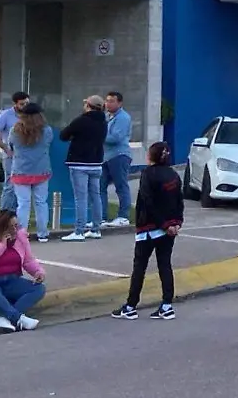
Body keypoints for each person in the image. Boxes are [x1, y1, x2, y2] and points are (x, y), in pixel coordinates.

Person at [113, 141, 184, 321]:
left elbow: (148, 201)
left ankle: (130, 306)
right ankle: (167, 305)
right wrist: (176, 223)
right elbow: (179, 201)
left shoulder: (147, 174)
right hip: (169, 230)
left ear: (151, 156)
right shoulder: (174, 175)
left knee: (140, 267)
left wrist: (163, 224)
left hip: (148, 229)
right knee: (165, 265)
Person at [0, 209, 45, 332]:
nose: (15, 230)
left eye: (16, 226)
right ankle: (17, 318)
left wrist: (38, 272)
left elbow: (28, 260)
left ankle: (4, 318)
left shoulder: (20, 237)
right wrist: (1, 246)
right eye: (10, 227)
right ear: (1, 227)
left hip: (12, 280)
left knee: (39, 289)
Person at [59, 95, 108, 242]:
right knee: (95, 196)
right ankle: (96, 229)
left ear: (88, 106)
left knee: (80, 198)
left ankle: (79, 231)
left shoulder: (81, 120)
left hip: (79, 163)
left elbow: (63, 135)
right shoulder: (103, 121)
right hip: (96, 163)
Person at [8, 103, 52, 243]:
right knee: (41, 203)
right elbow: (48, 144)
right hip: (41, 171)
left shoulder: (15, 131)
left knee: (23, 204)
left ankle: (21, 235)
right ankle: (42, 233)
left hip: (21, 171)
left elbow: (11, 146)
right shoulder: (46, 131)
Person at [0, 91, 29, 213]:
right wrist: (5, 148)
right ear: (15, 104)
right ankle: (4, 214)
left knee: (22, 186)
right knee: (10, 185)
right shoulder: (6, 115)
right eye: (22, 104)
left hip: (26, 157)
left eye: (27, 103)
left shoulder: (30, 115)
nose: (25, 106)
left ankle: (15, 214)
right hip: (11, 156)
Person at [100, 91, 133, 228]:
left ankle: (123, 216)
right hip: (105, 157)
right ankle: (101, 217)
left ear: (120, 103)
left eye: (112, 101)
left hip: (119, 155)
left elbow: (116, 138)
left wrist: (98, 135)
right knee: (100, 186)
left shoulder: (123, 117)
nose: (108, 104)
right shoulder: (106, 116)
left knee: (121, 186)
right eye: (107, 101)